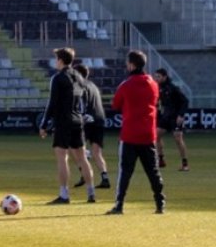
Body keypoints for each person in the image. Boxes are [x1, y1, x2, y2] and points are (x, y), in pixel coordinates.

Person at [107, 51, 165, 215]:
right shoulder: (153, 84)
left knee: (125, 172)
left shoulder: (126, 85)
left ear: (132, 65)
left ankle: (119, 205)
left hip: (130, 134)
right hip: (148, 134)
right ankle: (160, 203)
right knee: (153, 171)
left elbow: (115, 104)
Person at [39, 48, 94, 205]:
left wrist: (44, 124)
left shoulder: (58, 78)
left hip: (63, 121)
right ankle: (91, 193)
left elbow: (52, 102)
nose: (55, 62)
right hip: (77, 120)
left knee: (62, 158)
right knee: (82, 158)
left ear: (61, 60)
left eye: (56, 59)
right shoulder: (78, 76)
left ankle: (64, 194)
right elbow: (84, 96)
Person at [74, 64, 110, 190]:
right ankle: (105, 178)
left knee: (74, 148)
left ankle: (85, 174)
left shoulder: (79, 86)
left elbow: (81, 104)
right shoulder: (93, 85)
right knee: (97, 152)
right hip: (99, 120)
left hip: (87, 120)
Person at [154, 69, 190, 172]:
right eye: (156, 76)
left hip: (176, 117)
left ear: (164, 77)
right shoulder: (158, 87)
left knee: (178, 138)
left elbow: (185, 101)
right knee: (156, 135)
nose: (156, 78)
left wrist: (181, 115)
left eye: (158, 76)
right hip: (166, 116)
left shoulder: (173, 88)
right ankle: (161, 159)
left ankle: (185, 164)